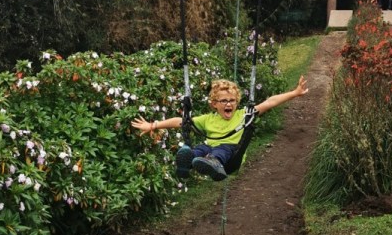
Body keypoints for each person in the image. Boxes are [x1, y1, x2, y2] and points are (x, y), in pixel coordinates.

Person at [131, 76, 309, 182]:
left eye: (232, 100)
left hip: (231, 155)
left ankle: (214, 163)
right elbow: (182, 122)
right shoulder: (208, 119)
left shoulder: (243, 115)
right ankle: (187, 162)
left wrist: (294, 93)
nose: (228, 104)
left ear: (237, 102)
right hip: (210, 149)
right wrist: (153, 125)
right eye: (224, 101)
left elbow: (269, 102)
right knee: (200, 149)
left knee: (221, 150)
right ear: (214, 104)